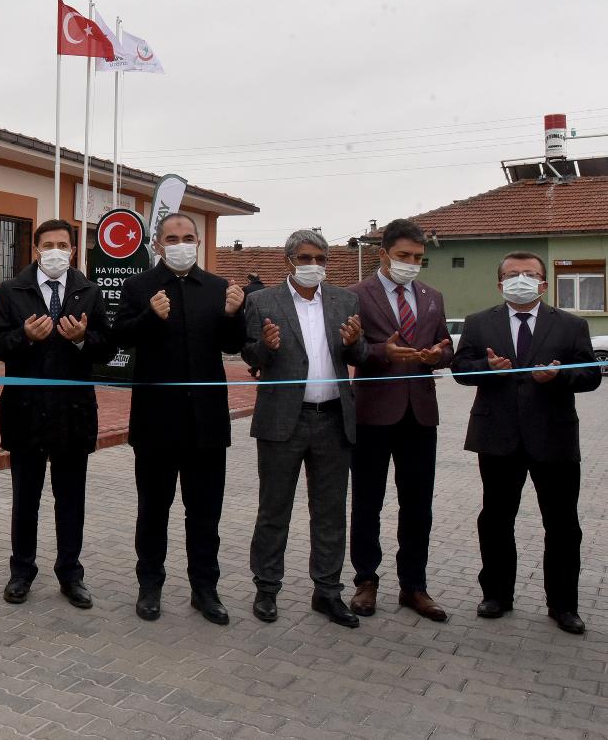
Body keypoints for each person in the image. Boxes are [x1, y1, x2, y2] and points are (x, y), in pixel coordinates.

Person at [453, 251, 602, 634]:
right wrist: (487, 368)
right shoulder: (478, 323)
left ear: (544, 283)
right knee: (496, 519)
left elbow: (591, 374)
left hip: (554, 437)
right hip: (497, 436)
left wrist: (559, 377)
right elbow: (460, 370)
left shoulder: (571, 325)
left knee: (563, 524)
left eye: (530, 274)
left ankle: (563, 605)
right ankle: (497, 595)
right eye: (512, 274)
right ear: (500, 283)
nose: (521, 280)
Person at [114, 213, 245, 625]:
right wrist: (150, 316)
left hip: (207, 423)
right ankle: (150, 586)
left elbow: (233, 345)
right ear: (158, 244)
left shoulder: (218, 288)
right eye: (172, 238)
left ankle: (204, 589)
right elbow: (121, 337)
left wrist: (234, 314)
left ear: (199, 242)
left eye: (188, 237)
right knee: (153, 511)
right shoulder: (139, 287)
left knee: (204, 514)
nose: (181, 244)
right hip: (156, 422)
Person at [242, 229, 367, 627]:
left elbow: (359, 355)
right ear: (289, 261)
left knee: (330, 512)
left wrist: (355, 342)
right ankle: (267, 589)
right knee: (273, 509)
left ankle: (327, 592)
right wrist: (266, 347)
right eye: (306, 258)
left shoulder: (346, 300)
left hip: (333, 419)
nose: (314, 265)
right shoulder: (262, 301)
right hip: (283, 420)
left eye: (321, 259)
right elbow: (250, 355)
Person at [0, 218, 112, 610]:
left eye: (63, 245)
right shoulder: (12, 290)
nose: (56, 251)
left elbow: (107, 348)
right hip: (25, 411)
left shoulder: (89, 291)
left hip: (73, 413)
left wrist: (82, 340)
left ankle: (70, 574)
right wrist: (24, 336)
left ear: (73, 250)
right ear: (36, 250)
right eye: (48, 245)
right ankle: (21, 571)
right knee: (26, 498)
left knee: (70, 500)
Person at [347, 219, 453, 623]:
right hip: (372, 414)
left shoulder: (432, 297)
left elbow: (446, 346)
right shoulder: (356, 295)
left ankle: (414, 586)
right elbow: (348, 348)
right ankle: (365, 581)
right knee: (367, 502)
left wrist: (438, 356)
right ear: (383, 254)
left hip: (420, 415)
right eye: (403, 255)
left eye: (418, 257)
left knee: (418, 505)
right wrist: (381, 353)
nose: (411, 263)